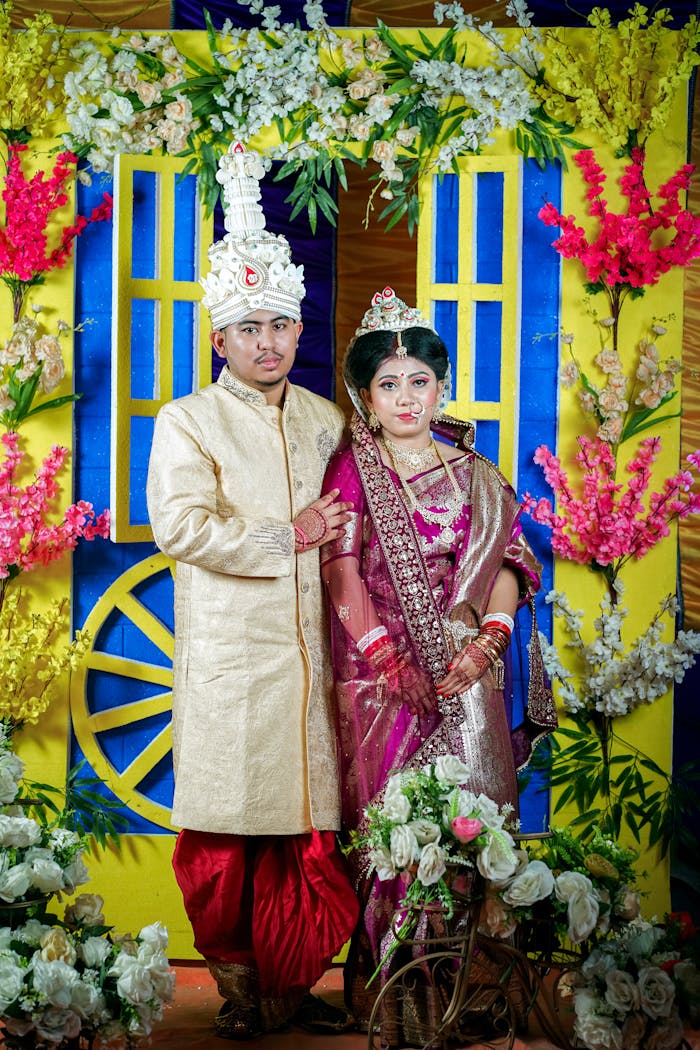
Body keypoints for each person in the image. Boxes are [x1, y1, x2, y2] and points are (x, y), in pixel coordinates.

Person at [146, 142, 359, 1041]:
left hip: (317, 660)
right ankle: (242, 992)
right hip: (235, 664)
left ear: (297, 332)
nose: (267, 342)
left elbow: (365, 524)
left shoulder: (327, 420)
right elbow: (181, 528)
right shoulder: (186, 420)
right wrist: (289, 535)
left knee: (306, 841)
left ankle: (295, 984)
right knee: (228, 845)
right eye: (250, 329)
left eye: (281, 325)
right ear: (219, 338)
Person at [320, 286, 558, 1033]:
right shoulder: (351, 470)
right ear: (365, 396)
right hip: (382, 681)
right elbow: (341, 570)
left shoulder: (473, 470)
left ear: (441, 385)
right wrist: (391, 661)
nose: (405, 398)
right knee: (395, 837)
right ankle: (403, 1000)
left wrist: (489, 642)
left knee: (475, 826)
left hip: (467, 673)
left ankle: (476, 992)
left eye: (418, 381)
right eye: (387, 385)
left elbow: (512, 560)